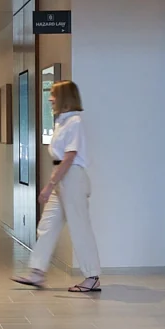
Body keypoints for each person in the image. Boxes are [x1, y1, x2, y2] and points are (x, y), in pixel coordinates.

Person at [12, 80, 102, 293]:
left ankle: (92, 276)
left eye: (53, 95)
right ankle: (37, 272)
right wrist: (54, 183)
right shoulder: (62, 122)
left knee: (80, 227)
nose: (50, 99)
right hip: (62, 176)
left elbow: (69, 157)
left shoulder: (75, 122)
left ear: (64, 98)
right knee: (48, 225)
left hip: (72, 178)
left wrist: (50, 185)